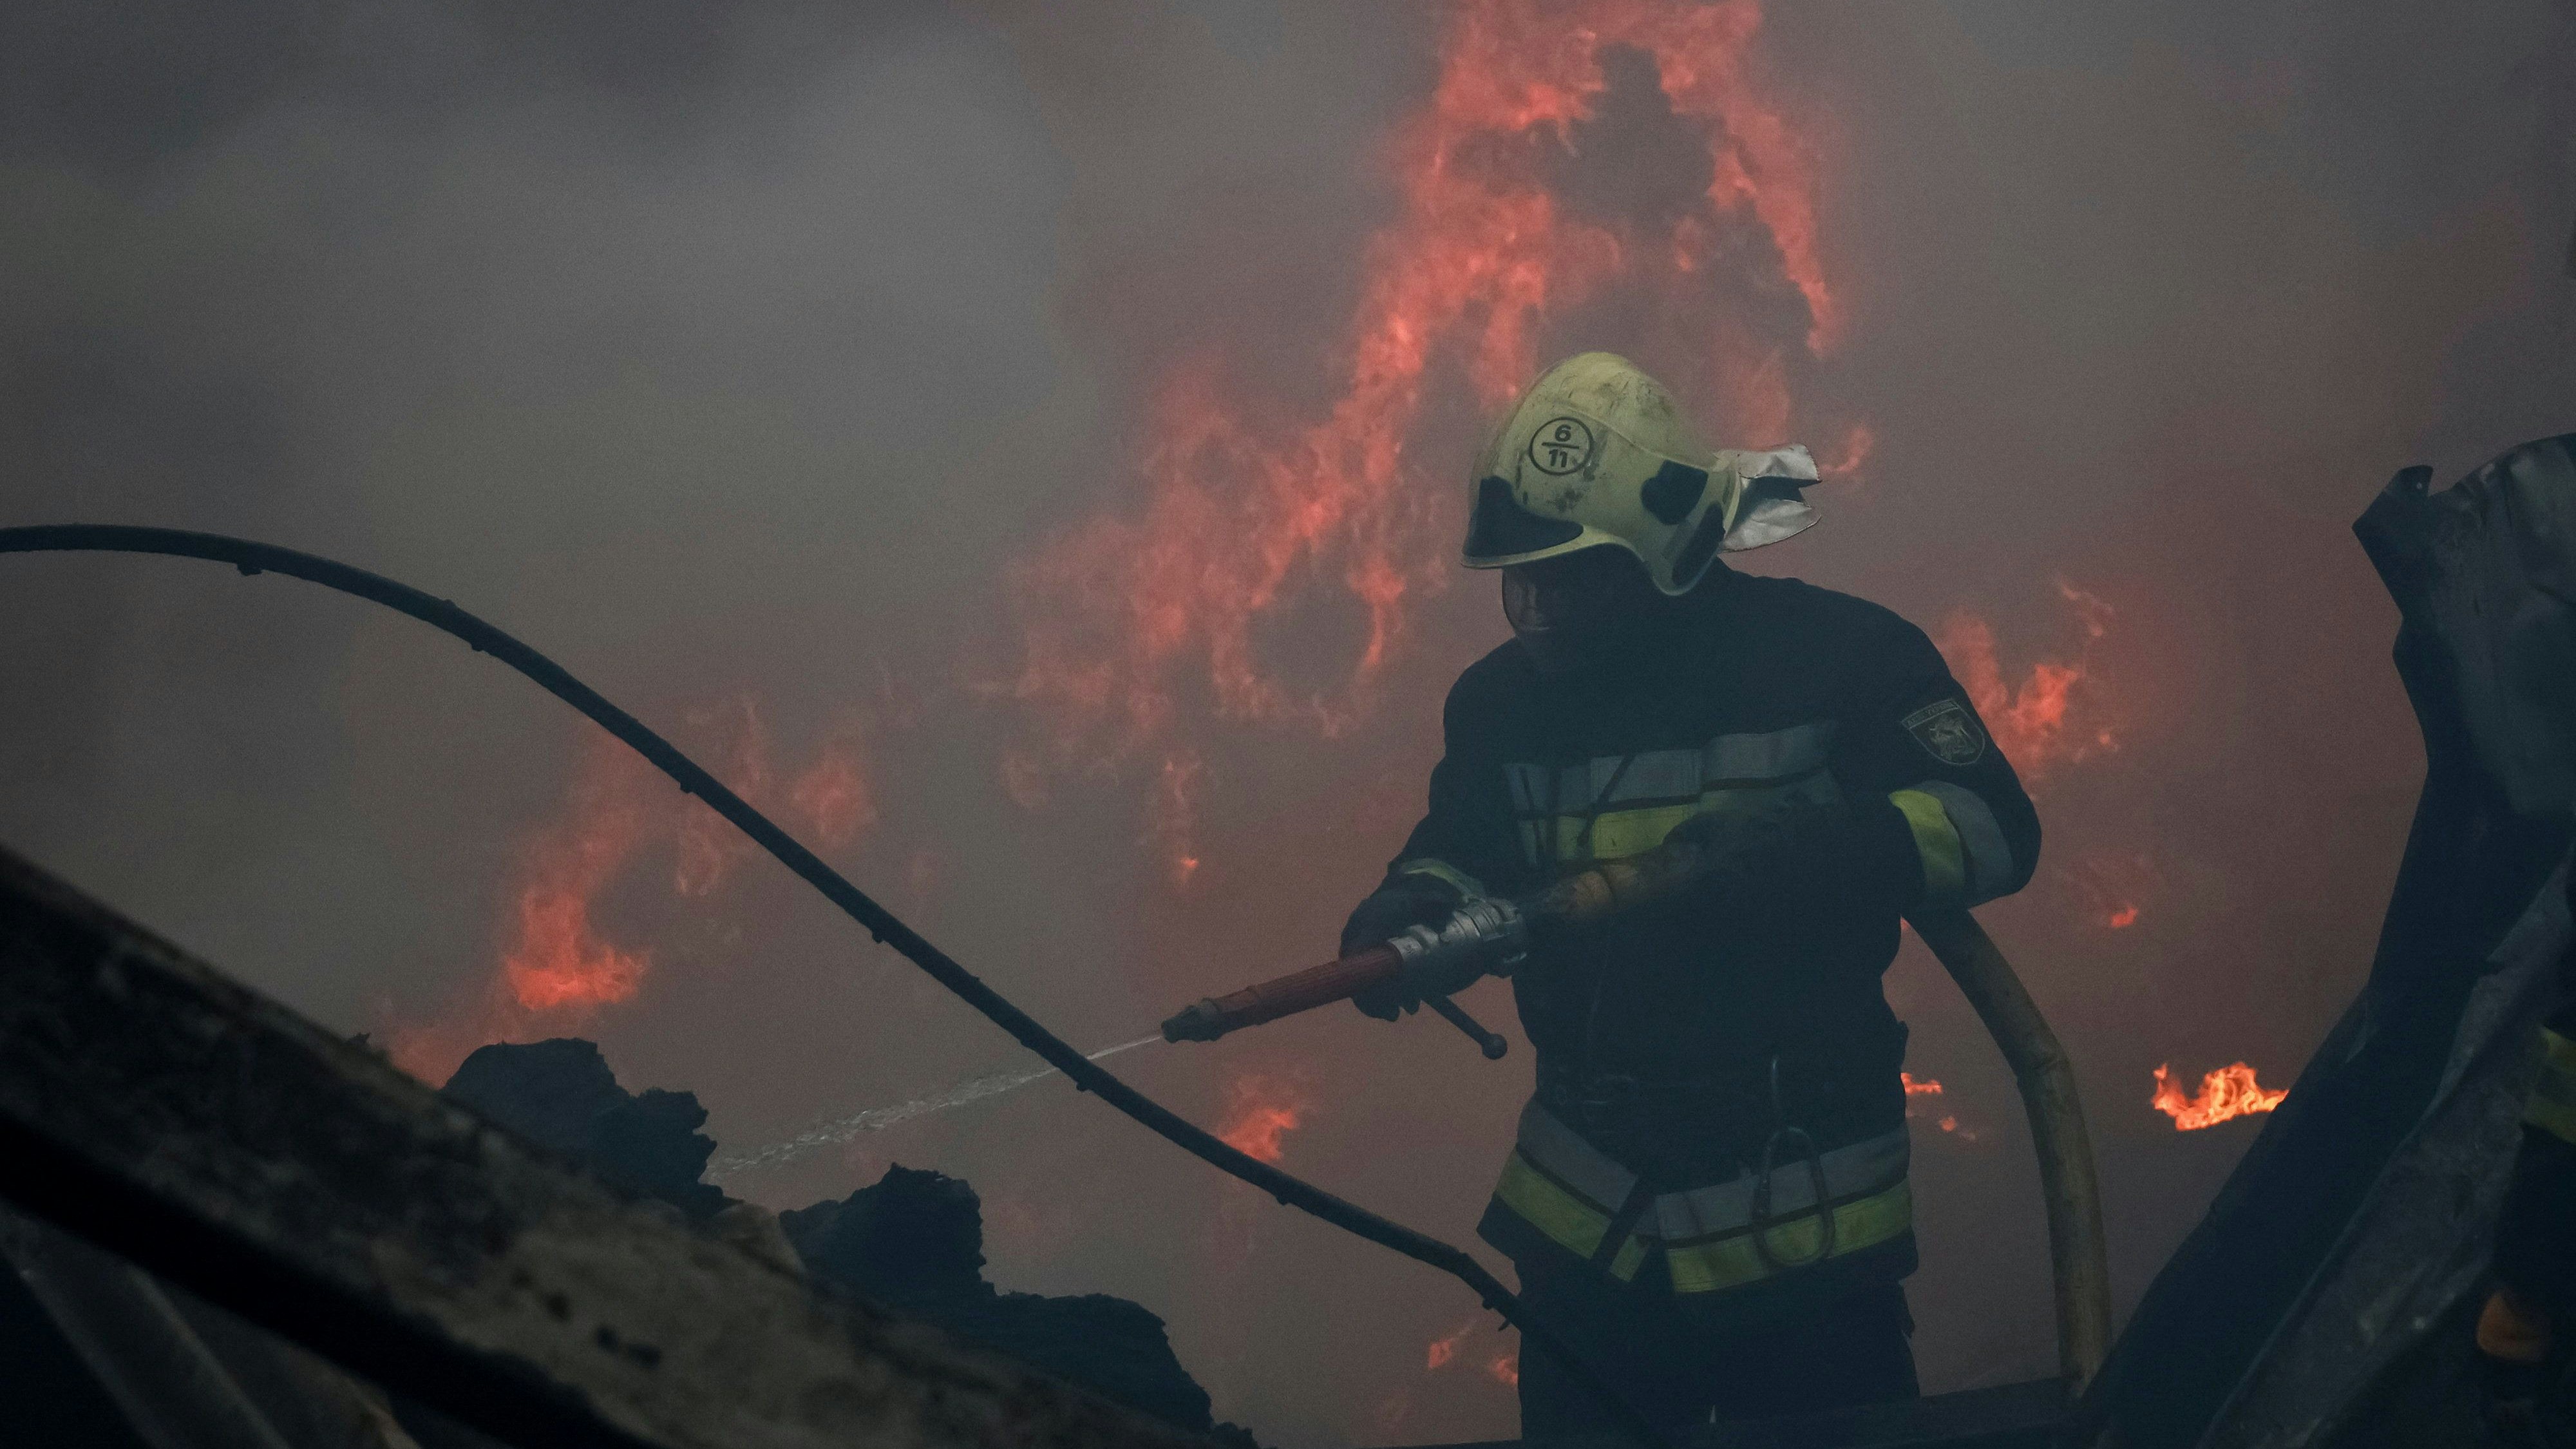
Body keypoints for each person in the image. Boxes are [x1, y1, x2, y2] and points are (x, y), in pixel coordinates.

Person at [1341, 352, 2041, 1439]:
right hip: (1588, 1233)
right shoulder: (1501, 704)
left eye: (1575, 578)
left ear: (1663, 554)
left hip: (1800, 1227)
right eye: (1527, 582)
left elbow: (1994, 828)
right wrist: (1414, 905)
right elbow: (1469, 847)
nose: (1543, 612)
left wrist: (1823, 851)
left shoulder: (1841, 658)